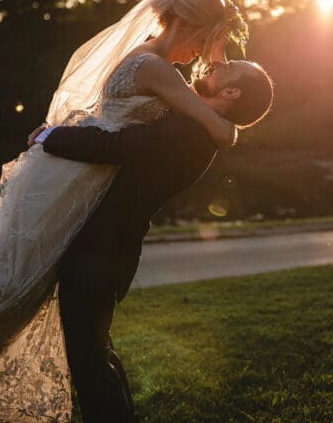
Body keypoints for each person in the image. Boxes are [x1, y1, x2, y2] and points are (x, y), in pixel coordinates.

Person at [0, 0, 248, 422]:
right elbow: (214, 127)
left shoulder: (142, 55)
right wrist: (232, 126)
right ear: (183, 24)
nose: (202, 54)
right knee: (15, 279)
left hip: (73, 172)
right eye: (204, 40)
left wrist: (49, 136)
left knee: (13, 265)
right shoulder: (160, 71)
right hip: (82, 178)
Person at [30, 59, 274, 422]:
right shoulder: (195, 126)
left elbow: (116, 146)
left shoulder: (191, 133)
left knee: (88, 358)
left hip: (102, 251)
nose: (217, 63)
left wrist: (48, 136)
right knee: (94, 352)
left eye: (228, 67)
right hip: (104, 249)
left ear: (231, 92)